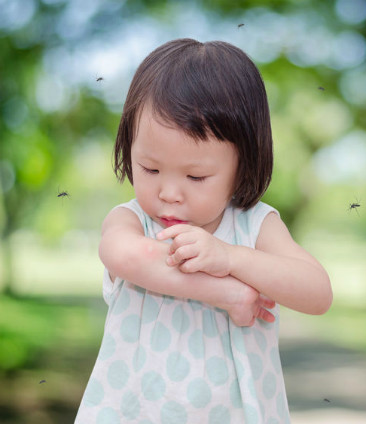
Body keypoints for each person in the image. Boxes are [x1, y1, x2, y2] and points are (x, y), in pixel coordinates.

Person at [75, 38, 332, 424]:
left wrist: (231, 257)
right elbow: (123, 255)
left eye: (196, 176)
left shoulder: (254, 226)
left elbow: (318, 293)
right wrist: (226, 292)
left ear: (243, 166)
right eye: (150, 169)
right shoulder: (133, 222)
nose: (169, 193)